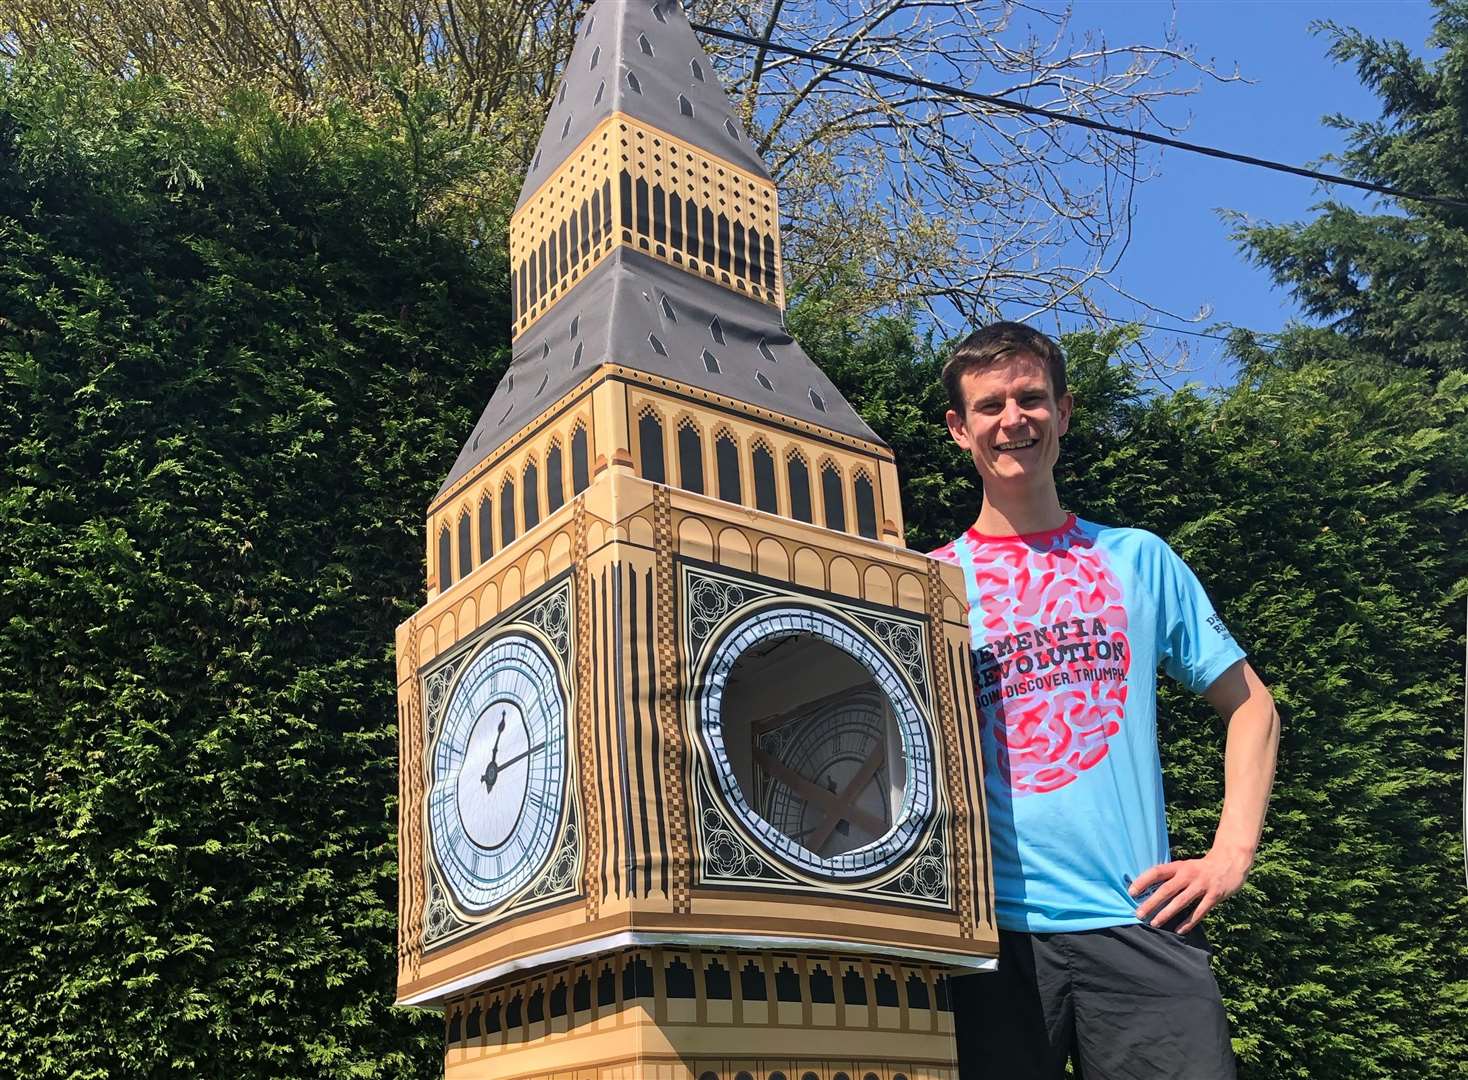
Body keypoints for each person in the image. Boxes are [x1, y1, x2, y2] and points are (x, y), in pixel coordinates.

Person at [931, 322, 1280, 1079]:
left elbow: (1252, 706)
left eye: (1031, 398)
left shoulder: (1137, 559)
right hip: (985, 942)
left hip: (1139, 922)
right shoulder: (924, 588)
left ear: (1064, 411)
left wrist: (1230, 856)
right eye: (990, 406)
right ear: (960, 429)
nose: (1012, 420)